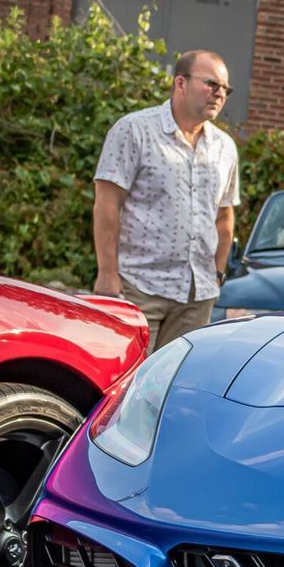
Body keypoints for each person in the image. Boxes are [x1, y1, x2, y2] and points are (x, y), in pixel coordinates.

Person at [93, 49, 241, 348]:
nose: (219, 94)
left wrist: (218, 273)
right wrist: (107, 274)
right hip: (138, 287)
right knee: (128, 380)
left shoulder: (224, 147)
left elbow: (224, 215)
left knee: (176, 384)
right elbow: (107, 204)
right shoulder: (134, 130)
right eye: (211, 84)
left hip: (197, 296)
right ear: (180, 83)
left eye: (225, 88)